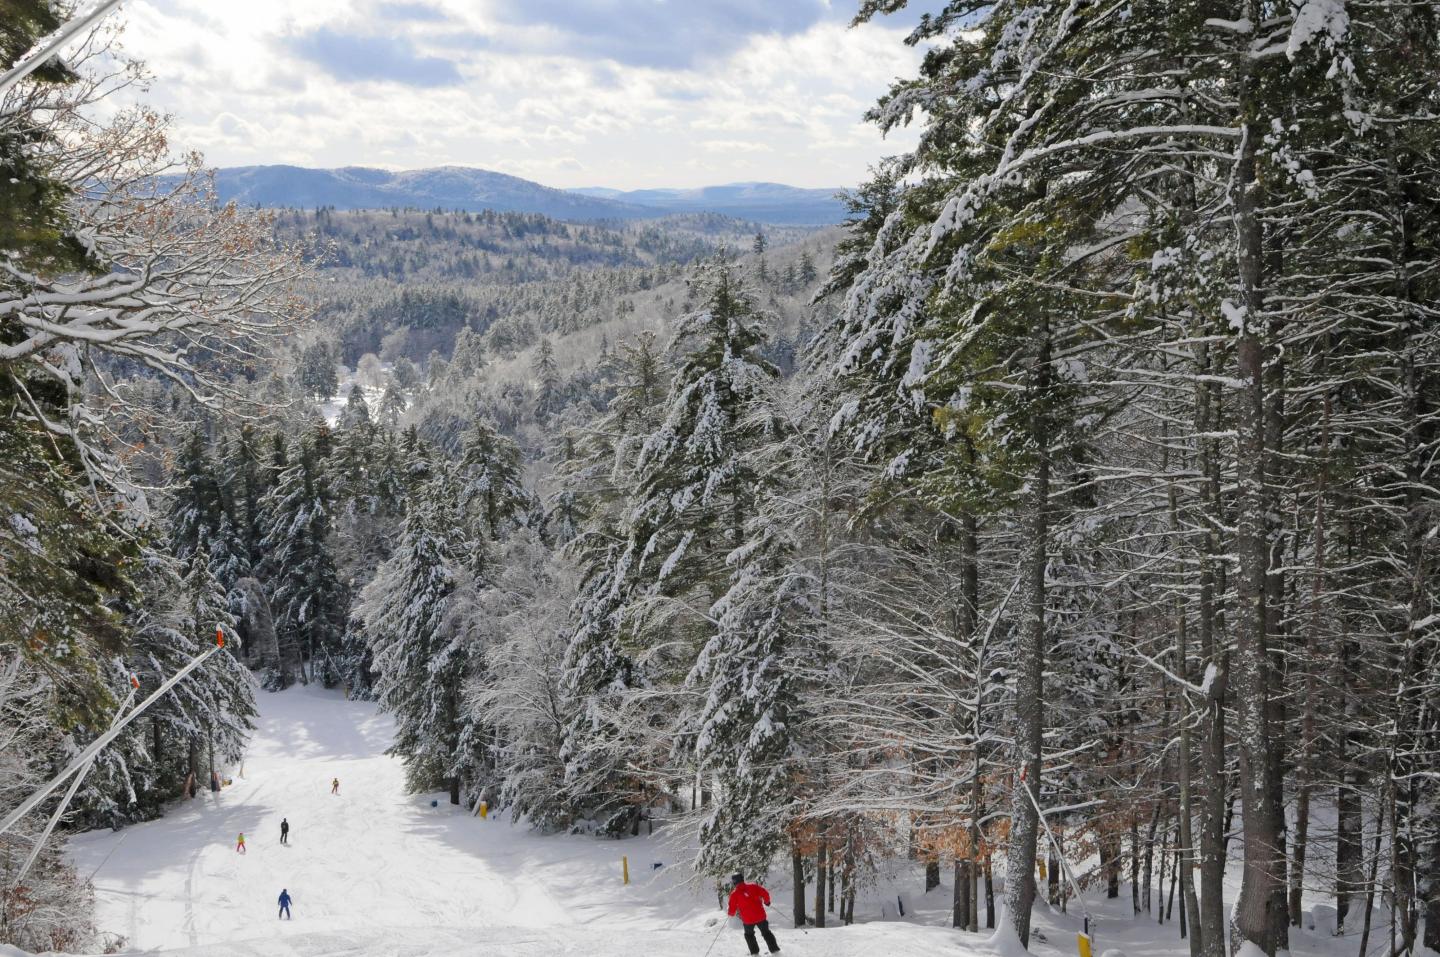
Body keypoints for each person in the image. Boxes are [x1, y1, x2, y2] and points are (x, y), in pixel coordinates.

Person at [727, 872, 779, 955]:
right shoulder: (753, 887)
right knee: (766, 933)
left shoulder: (734, 894)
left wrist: (730, 913)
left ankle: (755, 953)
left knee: (749, 935)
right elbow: (764, 893)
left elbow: (732, 908)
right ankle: (775, 951)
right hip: (760, 916)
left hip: (748, 920)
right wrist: (767, 901)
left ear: (734, 882)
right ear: (742, 879)